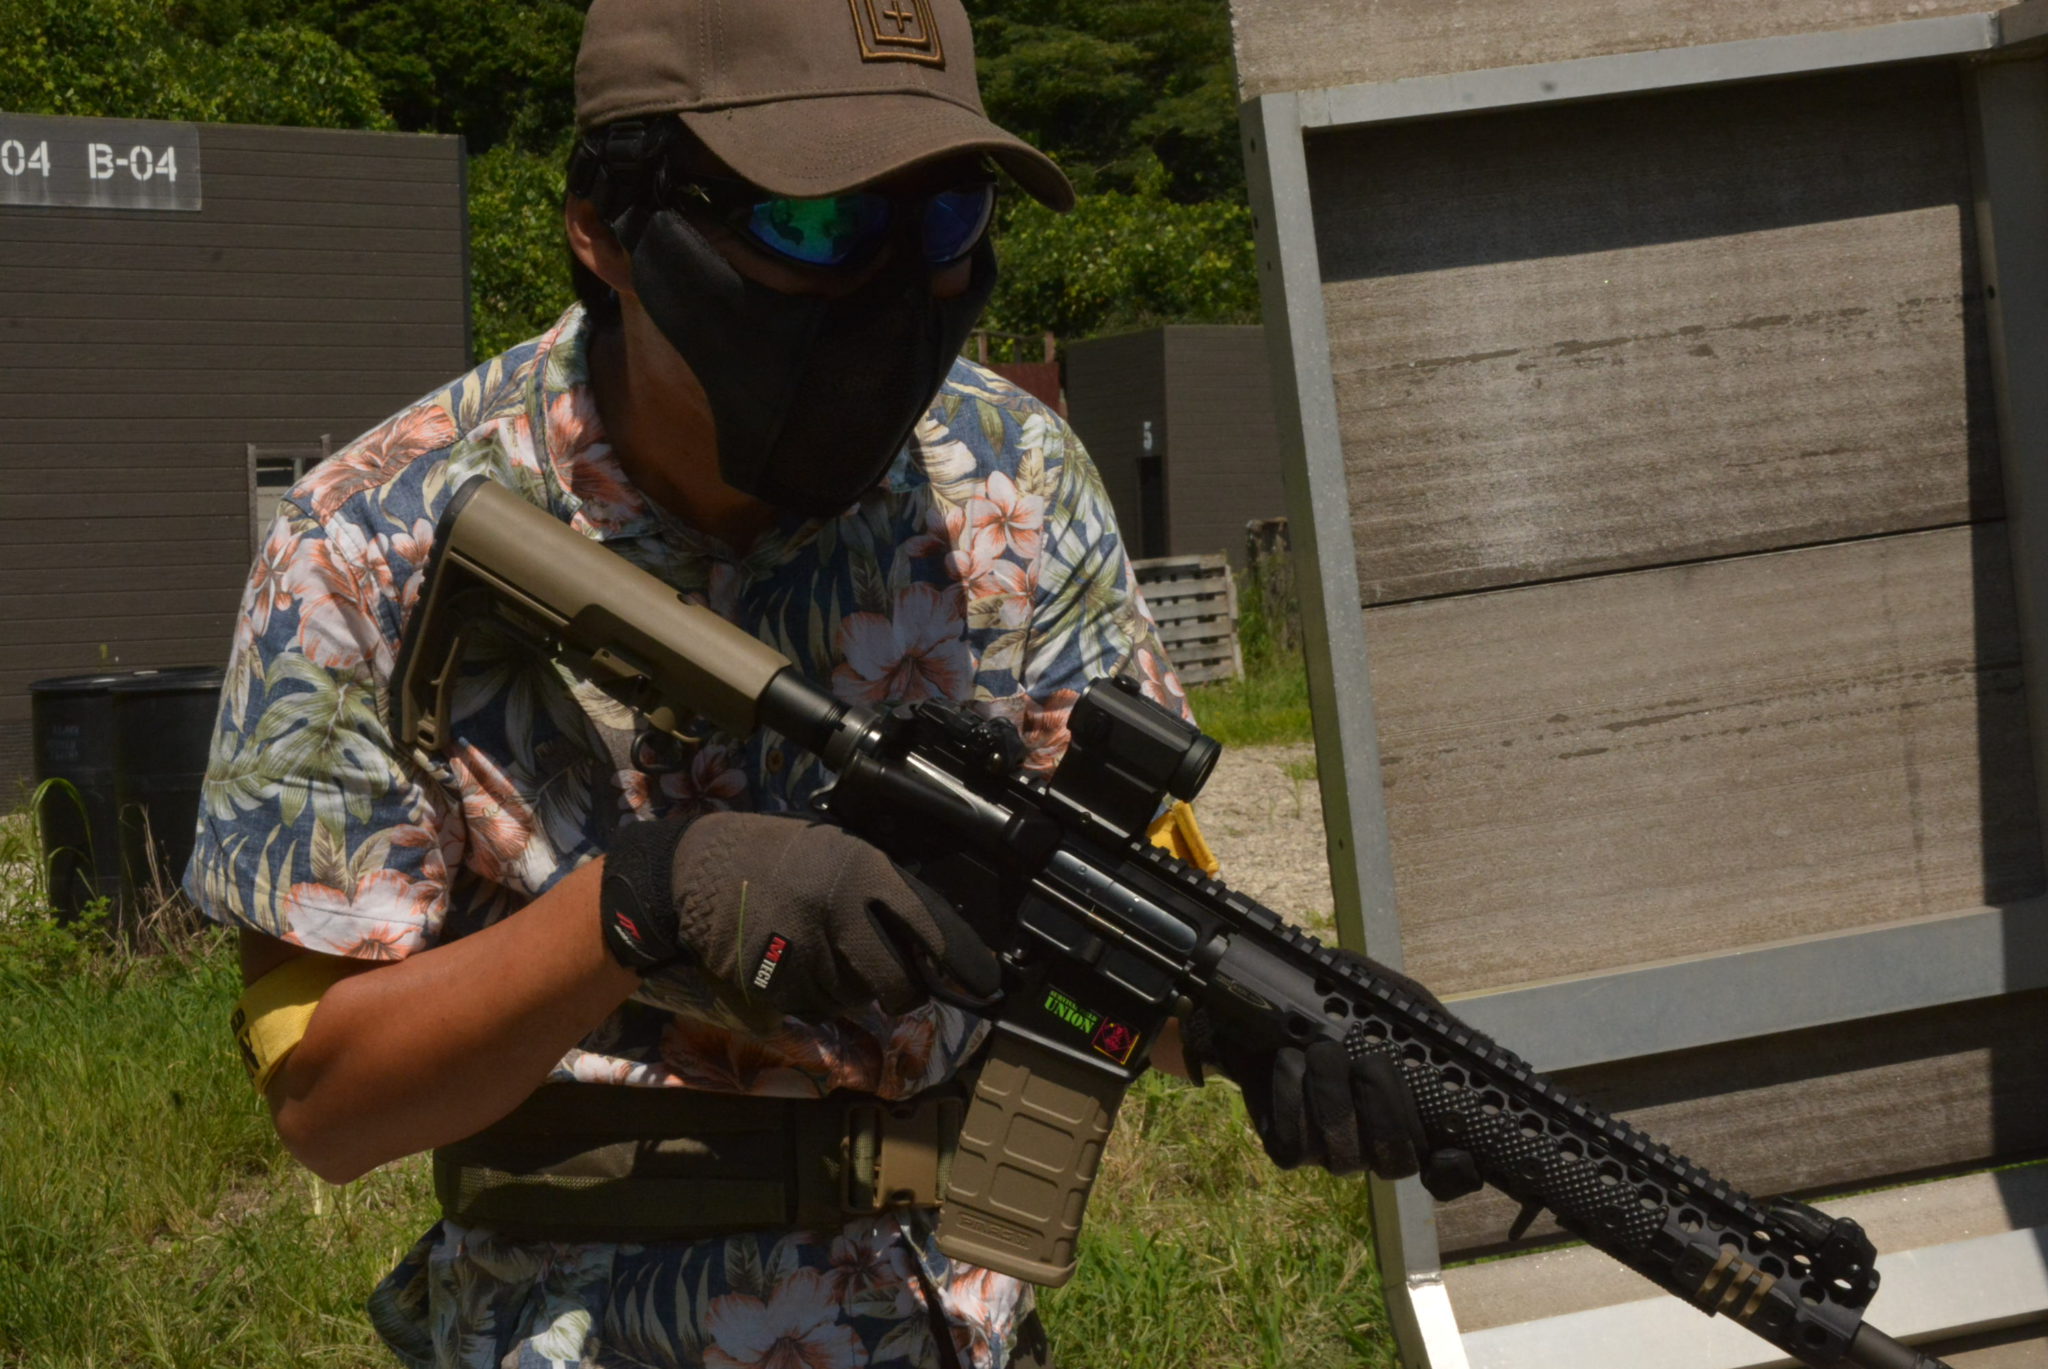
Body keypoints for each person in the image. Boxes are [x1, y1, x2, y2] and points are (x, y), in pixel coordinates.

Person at [189, 2, 1461, 1365]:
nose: (893, 290)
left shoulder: (1012, 481)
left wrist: (1254, 1031)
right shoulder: (372, 539)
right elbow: (329, 1105)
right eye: (814, 223)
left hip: (950, 1326)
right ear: (606, 225)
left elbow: (1082, 926)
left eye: (945, 218)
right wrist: (638, 902)